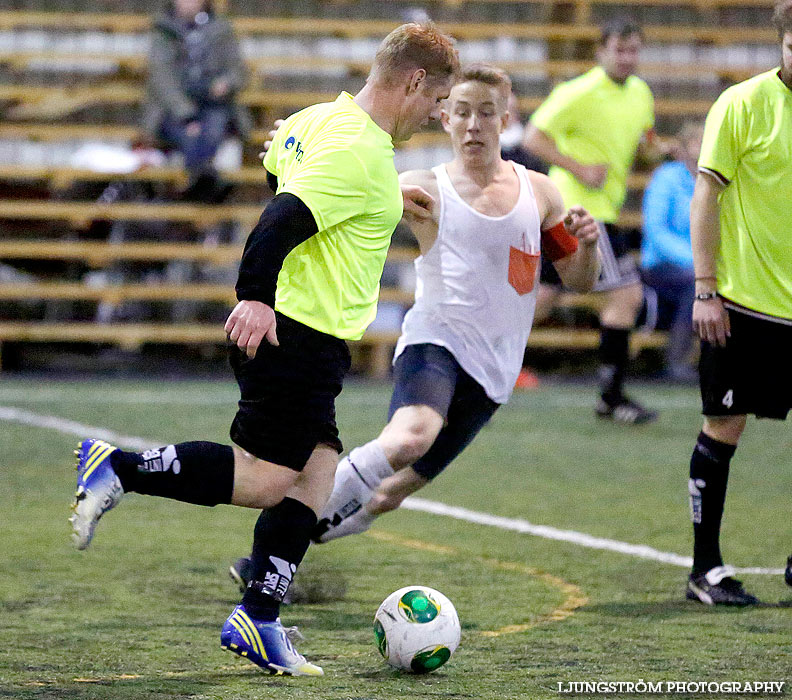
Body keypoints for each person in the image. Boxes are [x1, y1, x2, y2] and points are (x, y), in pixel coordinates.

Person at [69, 22, 459, 676]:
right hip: (293, 332)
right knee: (267, 478)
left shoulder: (314, 121)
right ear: (413, 81)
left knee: (317, 471)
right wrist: (254, 294)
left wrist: (383, 197)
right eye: (435, 100)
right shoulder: (361, 151)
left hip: (309, 334)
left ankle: (260, 616)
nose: (436, 116)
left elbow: (284, 169)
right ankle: (118, 469)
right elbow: (282, 217)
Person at [229, 64, 600, 563]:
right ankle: (267, 563)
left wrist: (589, 246)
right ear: (443, 117)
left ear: (506, 120)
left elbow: (579, 279)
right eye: (462, 112)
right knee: (410, 436)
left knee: (389, 495)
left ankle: (286, 548)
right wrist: (295, 139)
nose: (474, 125)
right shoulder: (424, 186)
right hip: (435, 344)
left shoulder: (540, 194)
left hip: (495, 370)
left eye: (486, 113)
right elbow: (336, 181)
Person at [684, 1, 792, 605]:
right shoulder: (743, 104)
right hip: (744, 305)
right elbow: (706, 196)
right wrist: (706, 289)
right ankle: (707, 569)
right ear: (781, 44)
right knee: (724, 427)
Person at [524, 18, 661, 424]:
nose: (626, 58)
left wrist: (656, 153)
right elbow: (533, 137)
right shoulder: (578, 91)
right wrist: (579, 168)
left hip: (603, 210)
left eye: (633, 50)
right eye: (619, 49)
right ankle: (612, 396)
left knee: (541, 297)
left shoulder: (641, 93)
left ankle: (468, 351)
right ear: (600, 51)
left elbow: (644, 145)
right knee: (626, 298)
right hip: (579, 210)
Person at [143, 0, 251, 201]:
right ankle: (201, 186)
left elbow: (239, 72)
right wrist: (186, 115)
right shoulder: (163, 30)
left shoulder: (221, 29)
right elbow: (162, 79)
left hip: (214, 105)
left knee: (213, 128)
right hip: (173, 109)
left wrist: (225, 83)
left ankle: (198, 186)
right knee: (193, 134)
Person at [641, 122, 704, 383]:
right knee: (697, 284)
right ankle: (677, 361)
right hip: (660, 265)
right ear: (683, 149)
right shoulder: (666, 178)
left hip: (702, 263)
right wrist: (698, 262)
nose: (702, 148)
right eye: (697, 142)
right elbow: (656, 232)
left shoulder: (718, 181)